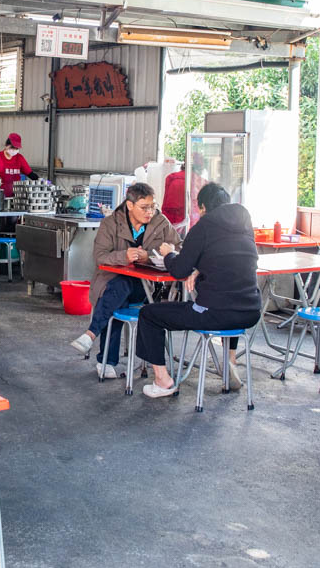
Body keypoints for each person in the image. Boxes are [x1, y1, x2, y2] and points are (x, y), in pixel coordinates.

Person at [137, 182, 261, 398]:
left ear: (202, 207)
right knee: (230, 299)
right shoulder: (244, 222)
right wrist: (199, 270)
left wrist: (169, 253)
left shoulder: (202, 227)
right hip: (250, 312)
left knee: (148, 314)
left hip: (214, 314)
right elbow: (229, 262)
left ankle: (162, 381)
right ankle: (229, 362)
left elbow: (179, 269)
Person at [69, 182, 179, 378]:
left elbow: (179, 247)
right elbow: (99, 256)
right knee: (121, 290)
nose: (150, 212)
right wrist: (123, 257)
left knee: (120, 292)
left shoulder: (161, 223)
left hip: (148, 287)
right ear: (130, 205)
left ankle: (93, 340)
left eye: (152, 206)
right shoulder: (111, 223)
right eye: (144, 208)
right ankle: (104, 357)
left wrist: (155, 257)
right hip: (111, 282)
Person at [0, 133, 35, 198]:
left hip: (16, 196)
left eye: (16, 148)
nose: (14, 150)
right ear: (7, 145)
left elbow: (30, 173)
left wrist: (41, 181)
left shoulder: (19, 158)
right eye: (12, 147)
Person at [161, 162, 186, 231]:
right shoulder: (197, 180)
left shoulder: (170, 177)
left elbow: (166, 205)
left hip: (170, 221)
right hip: (185, 223)